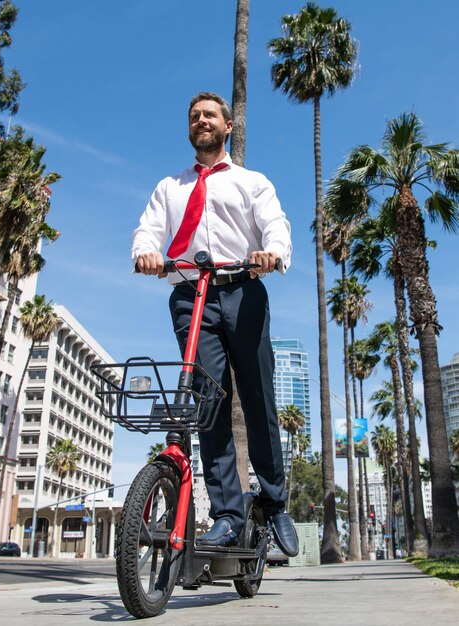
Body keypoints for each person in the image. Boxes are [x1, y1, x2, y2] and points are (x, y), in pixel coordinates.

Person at [131, 92, 298, 557]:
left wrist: (272, 254)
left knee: (258, 394)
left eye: (210, 115)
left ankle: (274, 499)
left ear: (228, 127)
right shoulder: (170, 186)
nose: (201, 120)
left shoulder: (251, 182)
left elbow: (276, 226)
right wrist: (145, 253)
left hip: (242, 289)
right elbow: (149, 230)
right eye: (194, 116)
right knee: (208, 404)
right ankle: (227, 514)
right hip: (190, 294)